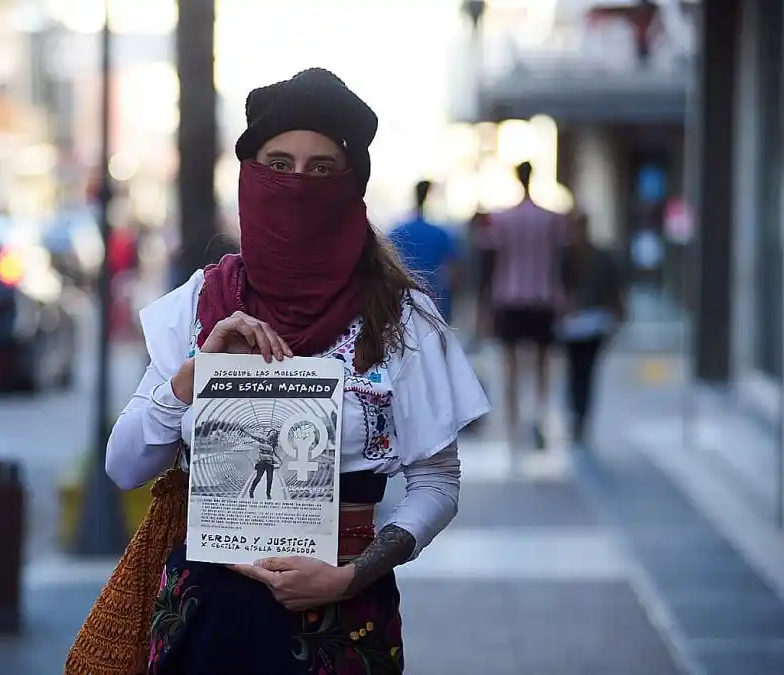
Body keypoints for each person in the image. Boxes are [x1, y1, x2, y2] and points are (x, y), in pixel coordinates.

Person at [103, 68, 489, 675]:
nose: (298, 184)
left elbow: (437, 484)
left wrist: (349, 576)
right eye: (277, 164)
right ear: (248, 177)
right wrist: (194, 375)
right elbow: (124, 467)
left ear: (351, 184)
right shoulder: (198, 306)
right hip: (207, 623)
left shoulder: (399, 319)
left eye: (321, 168)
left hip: (343, 618)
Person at [476, 161, 567, 450]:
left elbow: (489, 264)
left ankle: (514, 425)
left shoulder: (501, 220)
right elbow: (560, 260)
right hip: (542, 296)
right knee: (542, 364)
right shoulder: (550, 218)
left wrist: (484, 305)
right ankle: (538, 416)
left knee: (511, 365)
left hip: (509, 296)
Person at [558, 210, 626, 447]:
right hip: (573, 324)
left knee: (585, 371)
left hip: (594, 321)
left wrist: (617, 314)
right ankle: (577, 416)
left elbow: (613, 288)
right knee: (576, 371)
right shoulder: (565, 256)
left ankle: (581, 418)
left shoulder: (598, 256)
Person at [388, 180, 465, 323]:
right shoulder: (440, 233)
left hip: (402, 300)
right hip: (436, 299)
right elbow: (455, 270)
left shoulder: (397, 232)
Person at [247, 428, 282, 500]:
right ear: (269, 433)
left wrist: (279, 460)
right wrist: (243, 431)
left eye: (275, 433)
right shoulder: (262, 440)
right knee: (258, 478)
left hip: (270, 463)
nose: (273, 433)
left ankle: (268, 494)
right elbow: (252, 435)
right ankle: (251, 490)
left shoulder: (273, 444)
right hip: (261, 463)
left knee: (270, 479)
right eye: (272, 432)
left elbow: (274, 454)